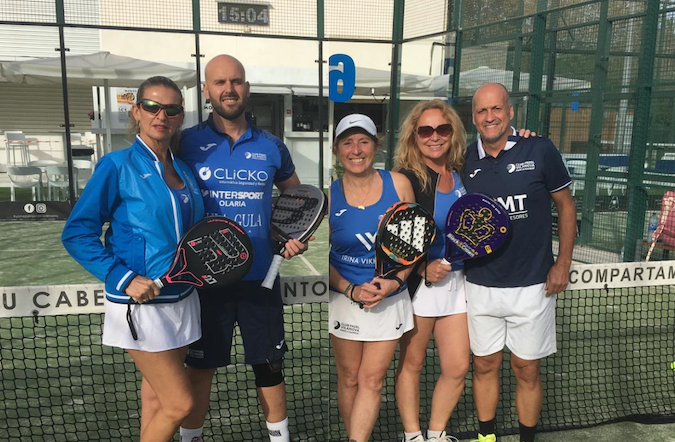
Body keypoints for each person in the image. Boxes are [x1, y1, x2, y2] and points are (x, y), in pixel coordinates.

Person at [62, 76, 205, 442]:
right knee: (180, 404)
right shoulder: (117, 164)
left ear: (180, 116)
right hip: (142, 304)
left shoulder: (184, 170)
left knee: (157, 403)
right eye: (153, 106)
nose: (162, 115)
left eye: (172, 108)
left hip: (183, 299)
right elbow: (77, 233)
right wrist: (123, 277)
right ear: (137, 111)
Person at [177, 54, 306, 442]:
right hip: (205, 280)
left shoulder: (272, 146)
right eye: (219, 82)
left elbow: (297, 198)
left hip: (260, 279)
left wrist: (293, 233)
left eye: (236, 81)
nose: (228, 89)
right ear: (206, 90)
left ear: (246, 88)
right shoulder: (186, 142)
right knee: (199, 370)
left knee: (269, 367)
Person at [462, 83, 576, 442]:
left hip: (532, 285)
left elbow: (566, 206)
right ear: (474, 117)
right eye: (482, 111)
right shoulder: (463, 158)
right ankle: (486, 437)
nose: (489, 116)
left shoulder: (540, 149)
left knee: (526, 369)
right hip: (479, 284)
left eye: (497, 109)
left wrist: (563, 263)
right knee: (484, 365)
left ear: (511, 112)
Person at [329, 114, 416, 442]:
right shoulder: (330, 194)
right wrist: (350, 289)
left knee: (372, 379)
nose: (356, 149)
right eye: (348, 142)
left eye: (363, 140)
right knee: (349, 378)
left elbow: (414, 244)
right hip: (344, 298)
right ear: (338, 149)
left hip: (389, 298)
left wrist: (394, 281)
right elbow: (325, 258)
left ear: (376, 146)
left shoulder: (399, 184)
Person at [393, 99, 469, 442]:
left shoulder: (466, 171)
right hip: (420, 287)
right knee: (413, 363)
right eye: (426, 130)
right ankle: (413, 436)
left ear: (453, 133)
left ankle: (436, 435)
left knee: (457, 367)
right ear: (414, 135)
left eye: (442, 129)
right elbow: (394, 235)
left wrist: (519, 134)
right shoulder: (406, 178)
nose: (434, 136)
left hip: (460, 284)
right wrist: (422, 267)